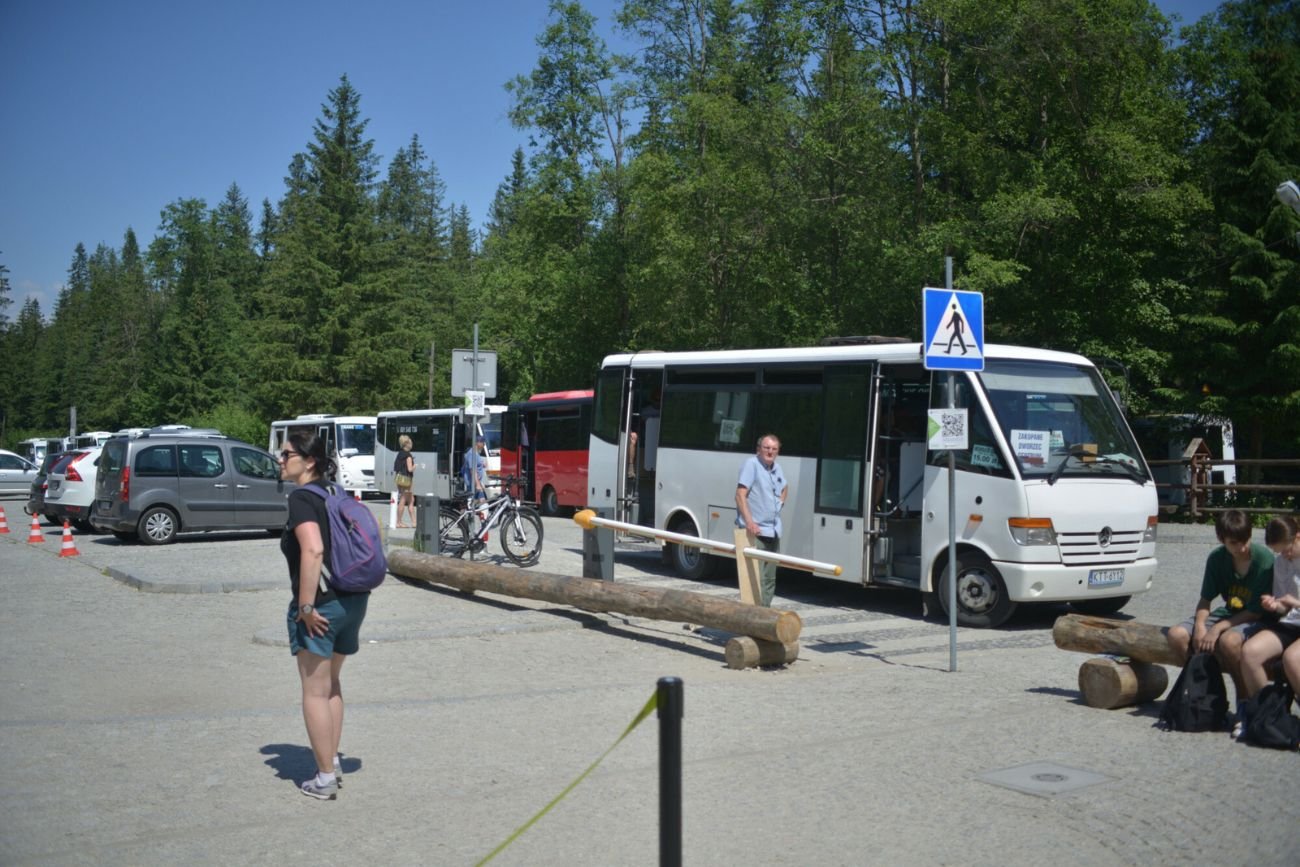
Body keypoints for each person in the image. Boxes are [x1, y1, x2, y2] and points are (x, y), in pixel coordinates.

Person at [279, 432, 371, 800]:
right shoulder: (334, 492)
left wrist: (305, 606)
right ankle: (330, 758)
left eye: (286, 454)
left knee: (314, 693)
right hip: (354, 599)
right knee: (331, 685)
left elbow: (313, 550)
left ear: (309, 460)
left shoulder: (302, 498)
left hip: (323, 604)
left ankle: (324, 777)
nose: (280, 460)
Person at [1165, 509, 1272, 719]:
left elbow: (1255, 612)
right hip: (1230, 611)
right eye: (1234, 543)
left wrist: (1217, 628)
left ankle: (1243, 699)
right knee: (1176, 635)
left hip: (1254, 617)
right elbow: (1205, 600)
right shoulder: (1216, 558)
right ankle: (1206, 691)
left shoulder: (1263, 560)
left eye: (1245, 541)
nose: (1241, 548)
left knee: (1229, 642)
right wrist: (1200, 627)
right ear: (1221, 539)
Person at [1241, 515, 1300, 701]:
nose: (1285, 556)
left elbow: (1294, 603)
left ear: (1297, 537)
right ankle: (1265, 714)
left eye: (1288, 550)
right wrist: (1276, 605)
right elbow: (1285, 609)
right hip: (1291, 623)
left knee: (1291, 659)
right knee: (1250, 652)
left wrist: (1296, 603)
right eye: (1280, 552)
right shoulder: (1281, 563)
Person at [735, 434, 788, 607]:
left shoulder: (777, 468)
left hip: (773, 531)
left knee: (770, 578)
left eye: (774, 449)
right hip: (755, 532)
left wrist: (779, 504)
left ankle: (765, 613)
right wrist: (750, 522)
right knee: (756, 579)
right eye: (766, 448)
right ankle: (754, 616)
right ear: (759, 449)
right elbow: (740, 495)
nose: (770, 452)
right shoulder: (752, 465)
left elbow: (785, 488)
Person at [394, 434, 415, 528]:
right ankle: (399, 522)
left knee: (411, 499)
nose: (411, 444)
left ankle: (414, 522)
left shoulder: (400, 454)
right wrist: (416, 466)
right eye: (410, 442)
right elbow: (410, 469)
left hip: (399, 479)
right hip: (407, 480)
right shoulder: (408, 456)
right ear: (407, 444)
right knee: (403, 500)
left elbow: (396, 468)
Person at [462, 434, 488, 502]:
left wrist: (482, 464)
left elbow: (476, 464)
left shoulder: (476, 453)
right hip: (473, 484)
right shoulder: (472, 453)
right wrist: (478, 484)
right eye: (483, 442)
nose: (484, 444)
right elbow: (472, 470)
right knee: (482, 503)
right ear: (477, 443)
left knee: (477, 503)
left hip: (476, 483)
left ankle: (471, 512)